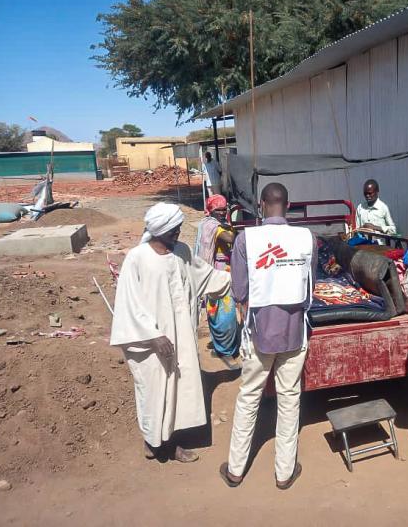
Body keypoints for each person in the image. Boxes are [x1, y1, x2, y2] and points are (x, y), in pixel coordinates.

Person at [110, 203, 231, 462]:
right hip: (150, 342)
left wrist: (239, 279)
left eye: (178, 227)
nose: (178, 232)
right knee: (154, 393)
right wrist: (153, 337)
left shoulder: (182, 252)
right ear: (159, 229)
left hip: (181, 337)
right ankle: (153, 442)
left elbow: (205, 277)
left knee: (178, 388)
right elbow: (128, 304)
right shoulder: (137, 258)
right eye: (173, 228)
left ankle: (170, 443)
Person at [220, 182, 317, 490]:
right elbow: (310, 287)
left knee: (249, 396)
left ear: (261, 205)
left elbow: (239, 290)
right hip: (294, 333)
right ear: (288, 206)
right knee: (289, 398)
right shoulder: (306, 238)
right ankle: (284, 472)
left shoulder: (246, 239)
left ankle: (235, 470)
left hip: (258, 332)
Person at [194, 194, 240, 363]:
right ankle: (226, 351)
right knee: (224, 312)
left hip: (225, 269)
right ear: (211, 210)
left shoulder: (219, 225)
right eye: (218, 210)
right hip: (218, 272)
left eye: (224, 209)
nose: (222, 213)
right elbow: (231, 239)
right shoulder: (213, 226)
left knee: (219, 310)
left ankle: (223, 345)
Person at [355, 179, 397, 245]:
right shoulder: (360, 207)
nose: (367, 196)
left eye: (370, 193)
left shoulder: (383, 208)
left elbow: (393, 230)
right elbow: (357, 230)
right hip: (364, 247)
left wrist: (375, 227)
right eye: (365, 193)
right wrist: (362, 228)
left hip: (380, 248)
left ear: (377, 191)